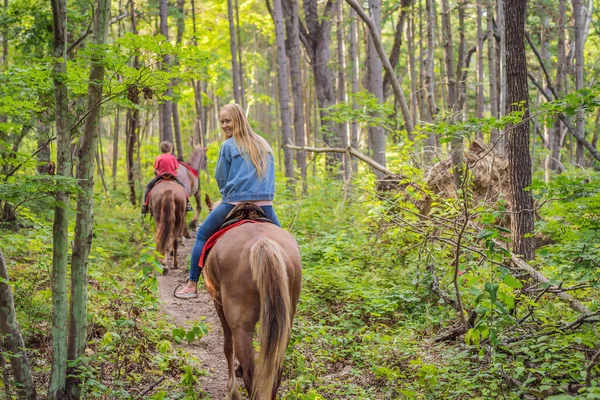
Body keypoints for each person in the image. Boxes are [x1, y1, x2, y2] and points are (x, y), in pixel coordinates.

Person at [175, 103, 281, 299]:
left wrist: (228, 193)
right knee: (283, 241)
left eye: (227, 121)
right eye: (222, 121)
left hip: (234, 202)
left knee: (201, 235)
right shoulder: (264, 144)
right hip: (265, 205)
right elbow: (271, 175)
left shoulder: (228, 146)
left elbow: (221, 177)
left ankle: (191, 284)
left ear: (238, 120)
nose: (224, 125)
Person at [141, 141, 193, 214]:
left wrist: (157, 173)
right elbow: (177, 169)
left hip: (161, 177)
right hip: (172, 177)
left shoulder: (158, 157)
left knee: (148, 187)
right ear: (170, 149)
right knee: (183, 187)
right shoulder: (173, 158)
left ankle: (145, 205)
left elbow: (155, 170)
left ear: (161, 149)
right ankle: (187, 204)